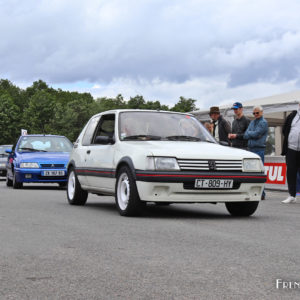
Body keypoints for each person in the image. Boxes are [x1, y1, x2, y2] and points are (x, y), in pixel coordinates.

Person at [244, 105, 268, 200]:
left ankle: (262, 193)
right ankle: (256, 192)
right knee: (251, 172)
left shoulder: (263, 122)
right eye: (254, 113)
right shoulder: (252, 122)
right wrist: (251, 134)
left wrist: (250, 133)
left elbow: (257, 134)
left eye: (257, 113)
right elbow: (246, 135)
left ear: (261, 112)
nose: (255, 114)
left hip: (259, 149)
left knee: (259, 172)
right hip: (251, 149)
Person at [281, 103, 300, 203]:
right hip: (291, 148)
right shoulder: (292, 115)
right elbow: (284, 129)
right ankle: (292, 195)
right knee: (291, 172)